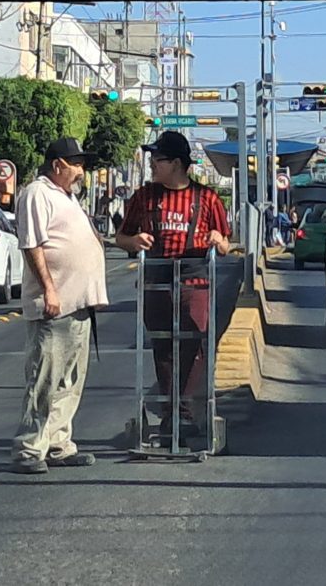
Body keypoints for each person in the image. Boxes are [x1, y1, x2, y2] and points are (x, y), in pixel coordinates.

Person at [115, 131, 231, 434]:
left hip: (195, 282)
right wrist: (134, 240)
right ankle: (170, 414)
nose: (152, 164)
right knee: (162, 345)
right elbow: (121, 237)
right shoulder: (143, 197)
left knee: (194, 344)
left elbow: (225, 244)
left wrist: (217, 240)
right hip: (156, 279)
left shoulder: (207, 198)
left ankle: (187, 413)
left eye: (158, 159)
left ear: (177, 163)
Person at [11, 137, 109, 475]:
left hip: (80, 303)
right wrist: (49, 290)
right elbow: (32, 244)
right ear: (57, 165)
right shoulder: (37, 193)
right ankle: (28, 448)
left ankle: (58, 443)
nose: (81, 170)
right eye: (76, 164)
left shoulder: (65, 196)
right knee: (44, 379)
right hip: (56, 304)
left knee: (70, 380)